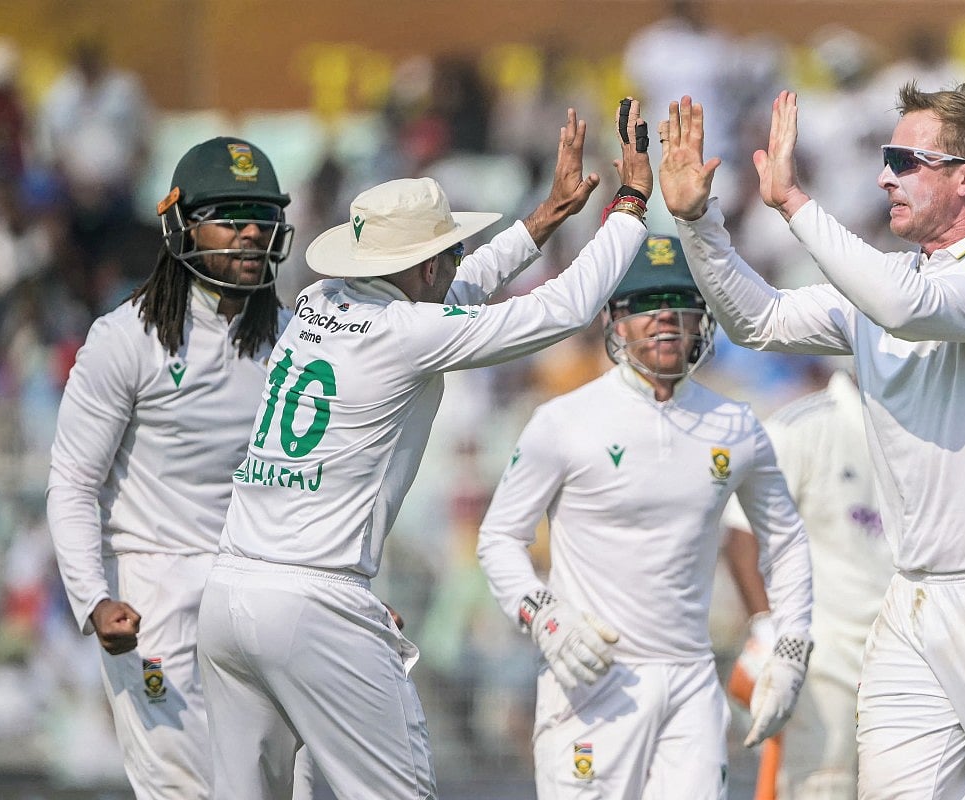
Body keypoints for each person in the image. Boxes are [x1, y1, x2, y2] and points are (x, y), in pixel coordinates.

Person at [658, 87, 965, 798]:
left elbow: (909, 311)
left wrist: (794, 204)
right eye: (883, 159)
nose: (884, 177)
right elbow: (760, 321)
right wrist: (696, 220)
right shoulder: (890, 284)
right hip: (912, 601)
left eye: (905, 160)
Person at [195, 100, 654, 800]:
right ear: (422, 265)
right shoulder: (406, 334)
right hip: (316, 599)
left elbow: (447, 298)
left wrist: (544, 221)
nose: (459, 261)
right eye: (451, 252)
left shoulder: (320, 300)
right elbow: (558, 310)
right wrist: (630, 205)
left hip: (230, 593)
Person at [476, 233, 815, 800]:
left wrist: (790, 644)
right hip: (589, 676)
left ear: (701, 319)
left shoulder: (734, 424)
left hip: (690, 679)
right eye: (645, 305)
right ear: (615, 320)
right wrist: (545, 616)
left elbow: (785, 540)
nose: (664, 319)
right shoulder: (563, 421)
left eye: (680, 304)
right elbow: (499, 539)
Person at [45, 136, 310, 798]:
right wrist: (93, 599)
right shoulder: (125, 340)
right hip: (155, 596)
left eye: (262, 218)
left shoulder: (292, 337)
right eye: (230, 216)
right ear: (180, 224)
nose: (252, 233)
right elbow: (74, 483)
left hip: (258, 592)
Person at [721, 368, 892, 800]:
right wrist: (768, 631)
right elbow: (742, 536)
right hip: (822, 653)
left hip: (904, 651)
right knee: (821, 784)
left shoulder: (930, 428)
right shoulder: (800, 428)